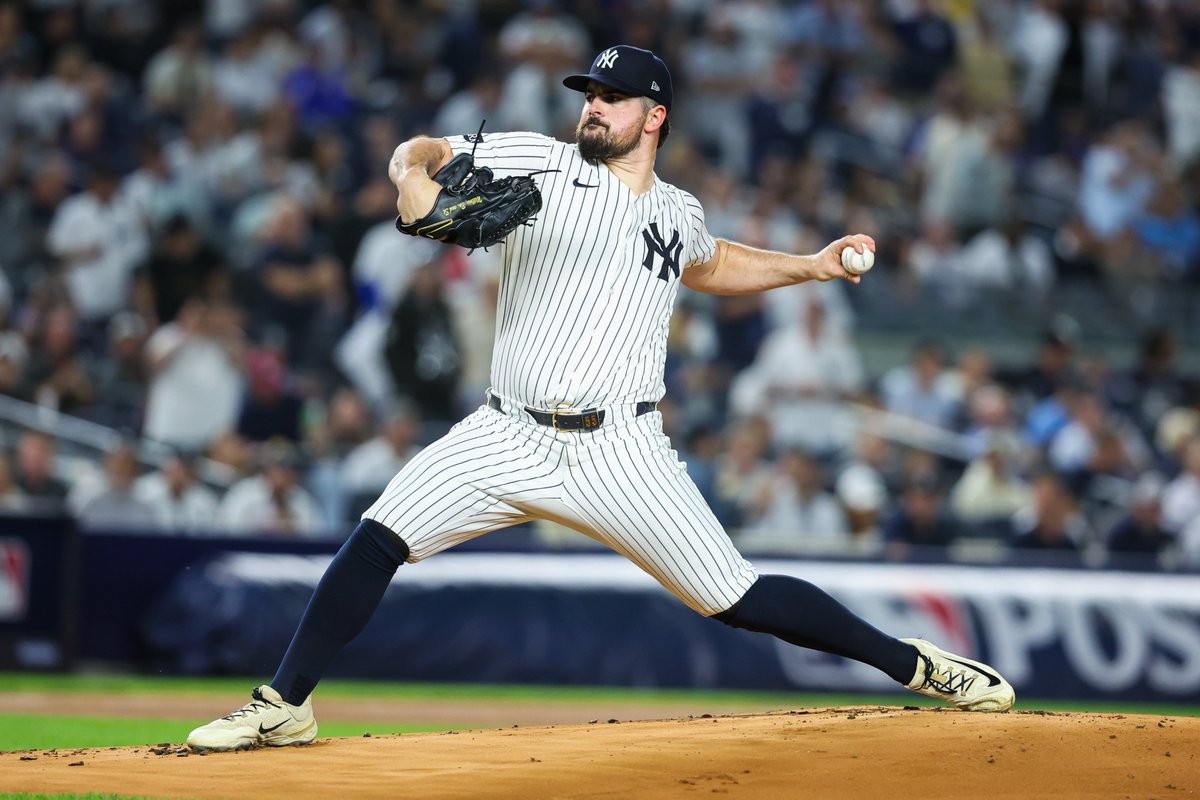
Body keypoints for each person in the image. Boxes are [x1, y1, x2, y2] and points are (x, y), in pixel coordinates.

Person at [187, 45, 1014, 752]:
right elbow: (427, 149)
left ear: (653, 116)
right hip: (504, 432)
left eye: (611, 98)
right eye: (589, 94)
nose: (593, 107)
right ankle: (284, 706)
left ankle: (916, 665)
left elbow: (713, 261)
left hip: (621, 449)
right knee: (376, 539)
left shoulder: (675, 211)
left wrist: (813, 263)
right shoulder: (537, 161)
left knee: (736, 596)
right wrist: (411, 173)